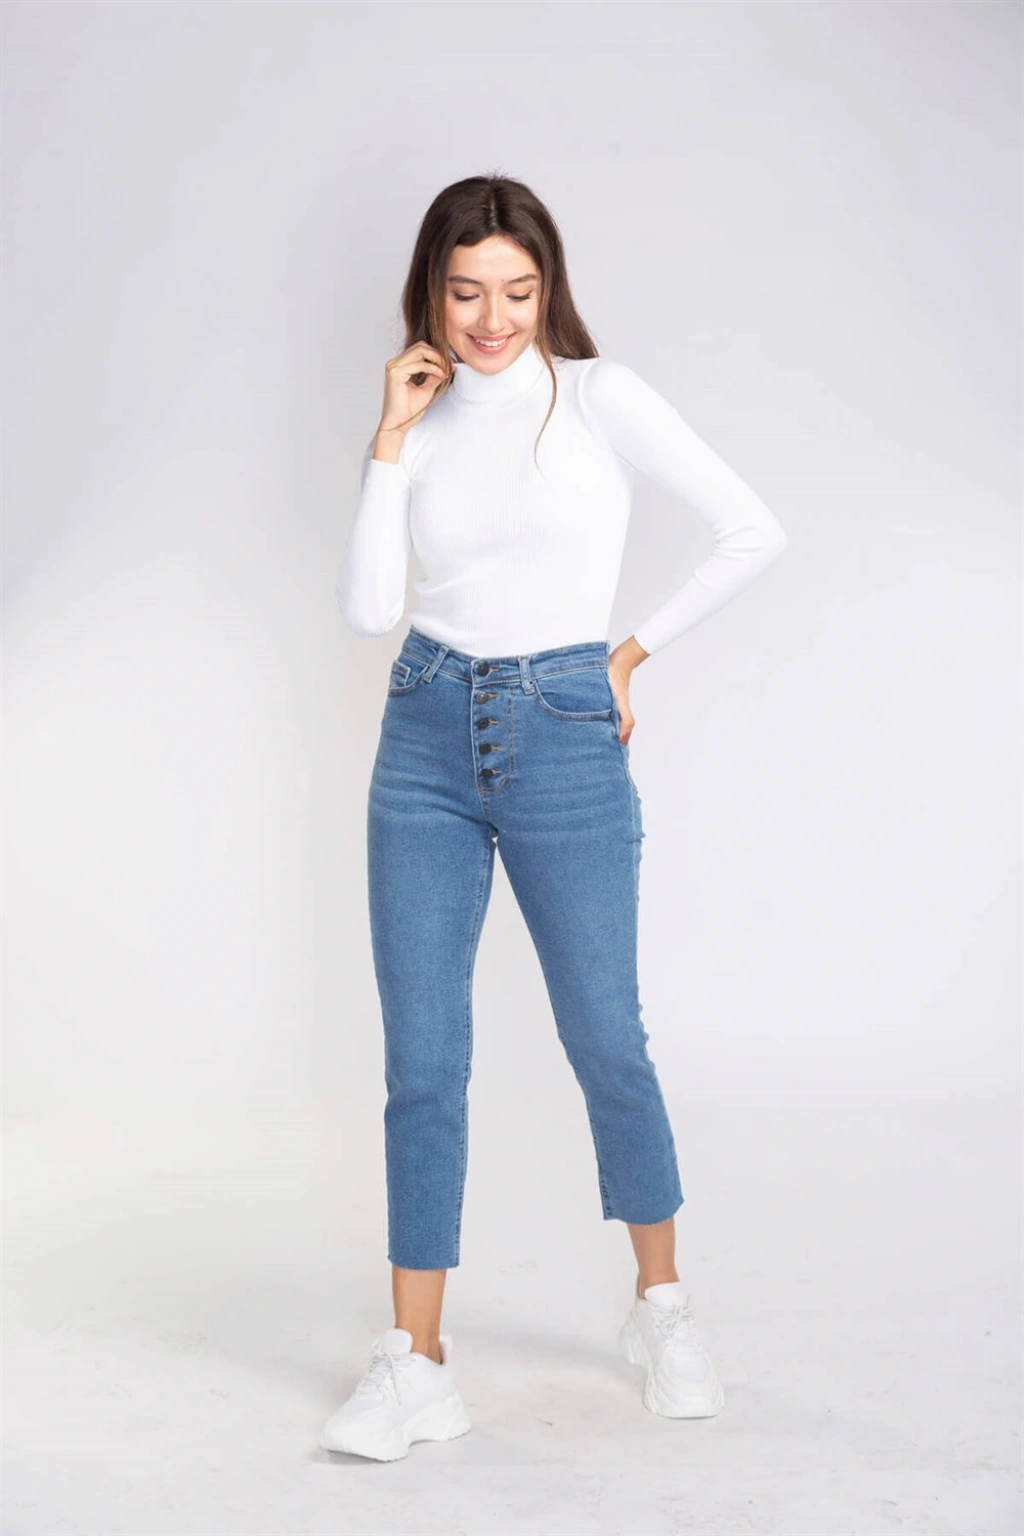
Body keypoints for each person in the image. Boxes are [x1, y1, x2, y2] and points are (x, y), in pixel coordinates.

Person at [322, 174, 788, 1462]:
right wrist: (387, 439)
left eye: (518, 293)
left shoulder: (596, 397)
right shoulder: (419, 423)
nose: (491, 320)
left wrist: (625, 656)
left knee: (606, 1039)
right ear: (430, 292)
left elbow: (752, 529)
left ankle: (662, 1307)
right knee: (424, 1062)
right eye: (466, 292)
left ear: (548, 289)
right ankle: (417, 1363)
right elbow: (369, 610)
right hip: (423, 731)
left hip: (566, 728)